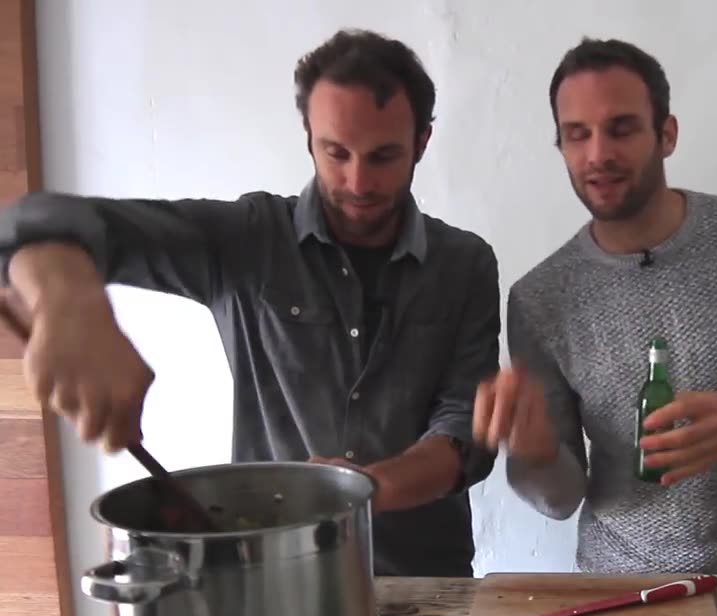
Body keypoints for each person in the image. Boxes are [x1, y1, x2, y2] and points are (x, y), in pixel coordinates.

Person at [0, 29, 500, 577]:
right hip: (275, 581)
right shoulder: (248, 239)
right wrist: (69, 302)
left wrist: (362, 492)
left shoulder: (466, 263)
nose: (358, 181)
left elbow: (465, 429)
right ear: (309, 136)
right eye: (336, 153)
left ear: (422, 142)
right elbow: (29, 225)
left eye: (384, 156)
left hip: (428, 577)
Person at [473, 38, 717, 578]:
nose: (597, 154)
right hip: (617, 592)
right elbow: (561, 499)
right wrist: (536, 452)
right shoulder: (540, 298)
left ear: (667, 134)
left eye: (621, 128)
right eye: (576, 135)